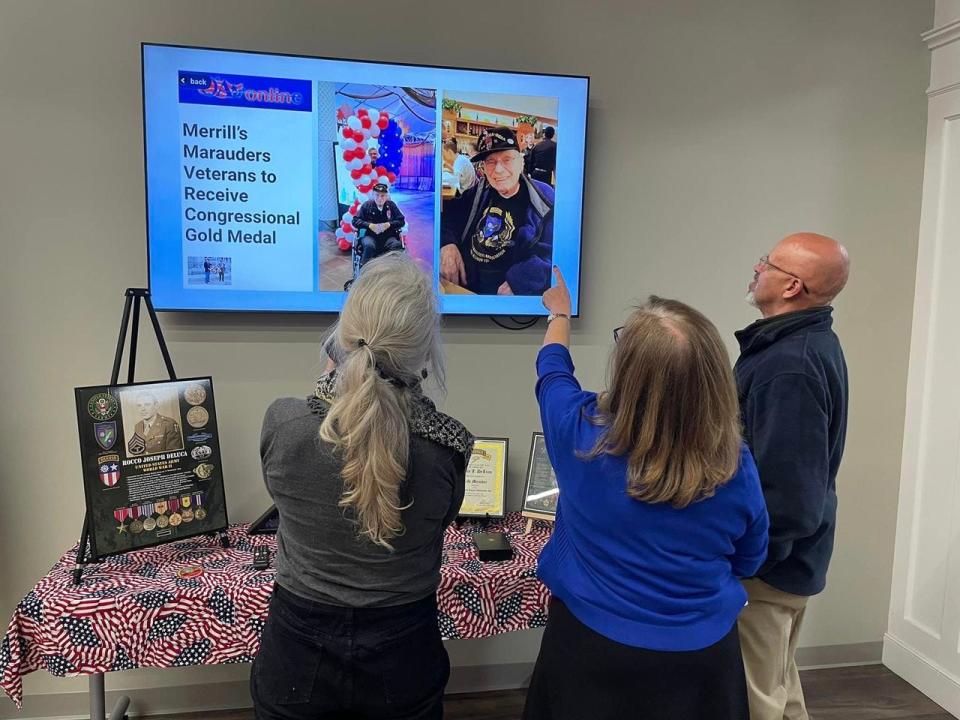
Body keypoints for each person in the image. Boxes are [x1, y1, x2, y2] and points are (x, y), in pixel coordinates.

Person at [523, 267, 769, 720]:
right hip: (702, 660)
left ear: (628, 371)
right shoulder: (734, 464)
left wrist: (559, 312)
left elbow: (552, 369)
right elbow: (750, 559)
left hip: (589, 650)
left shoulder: (579, 432)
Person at [251, 253, 473, 720]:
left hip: (296, 657)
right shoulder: (446, 450)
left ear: (341, 335)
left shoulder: (285, 424)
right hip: (404, 657)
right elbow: (441, 524)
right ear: (425, 353)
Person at [736, 232, 850, 720]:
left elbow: (791, 495)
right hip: (791, 559)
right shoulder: (800, 344)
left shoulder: (790, 366)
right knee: (779, 682)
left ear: (792, 287)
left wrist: (754, 561)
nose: (757, 267)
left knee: (755, 695)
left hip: (771, 566)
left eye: (768, 263)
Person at [440, 126, 553, 296]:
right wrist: (447, 245)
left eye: (507, 159)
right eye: (491, 161)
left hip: (507, 305)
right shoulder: (479, 192)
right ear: (483, 168)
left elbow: (557, 252)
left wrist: (521, 279)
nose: (498, 170)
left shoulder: (544, 199)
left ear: (521, 162)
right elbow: (447, 217)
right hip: (463, 293)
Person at [351, 183, 406, 267]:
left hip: (388, 237)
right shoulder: (367, 205)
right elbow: (355, 221)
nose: (380, 198)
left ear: (386, 196)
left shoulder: (391, 205)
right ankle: (365, 270)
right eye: (377, 195)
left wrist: (389, 224)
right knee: (369, 245)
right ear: (373, 195)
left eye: (382, 196)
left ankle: (392, 269)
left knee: (396, 245)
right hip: (370, 236)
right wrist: (369, 225)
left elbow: (401, 221)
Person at [126, 391, 182, 455]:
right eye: (139, 405)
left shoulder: (168, 424)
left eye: (147, 404)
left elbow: (174, 455)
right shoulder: (137, 426)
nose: (142, 409)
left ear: (156, 405)